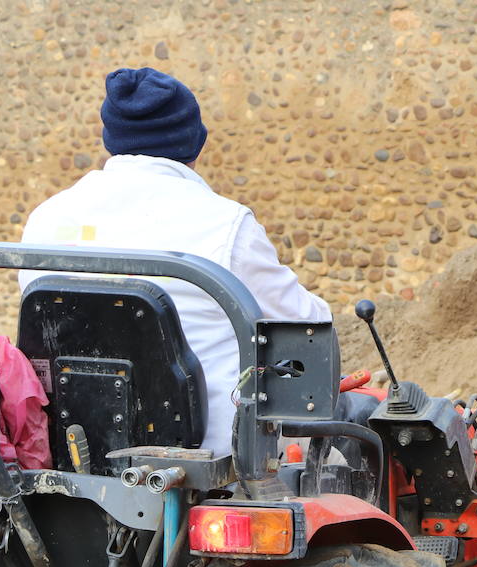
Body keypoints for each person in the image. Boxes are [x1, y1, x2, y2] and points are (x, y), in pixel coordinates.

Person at [19, 67, 330, 456]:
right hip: (211, 465)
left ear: (111, 138)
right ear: (193, 143)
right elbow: (307, 328)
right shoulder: (225, 225)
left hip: (75, 453)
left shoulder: (46, 219)